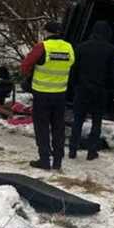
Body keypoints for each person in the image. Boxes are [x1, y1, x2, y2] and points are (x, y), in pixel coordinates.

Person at [21, 21, 75, 170]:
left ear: (46, 32)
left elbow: (25, 65)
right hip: (60, 95)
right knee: (58, 127)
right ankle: (58, 161)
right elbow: (71, 65)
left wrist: (29, 76)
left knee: (42, 127)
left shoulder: (42, 47)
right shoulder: (69, 47)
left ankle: (44, 160)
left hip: (42, 94)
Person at [68, 21, 114, 160]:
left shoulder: (81, 47)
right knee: (96, 121)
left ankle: (72, 149)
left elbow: (73, 69)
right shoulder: (111, 50)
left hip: (82, 89)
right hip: (100, 91)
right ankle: (92, 151)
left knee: (78, 120)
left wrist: (73, 85)